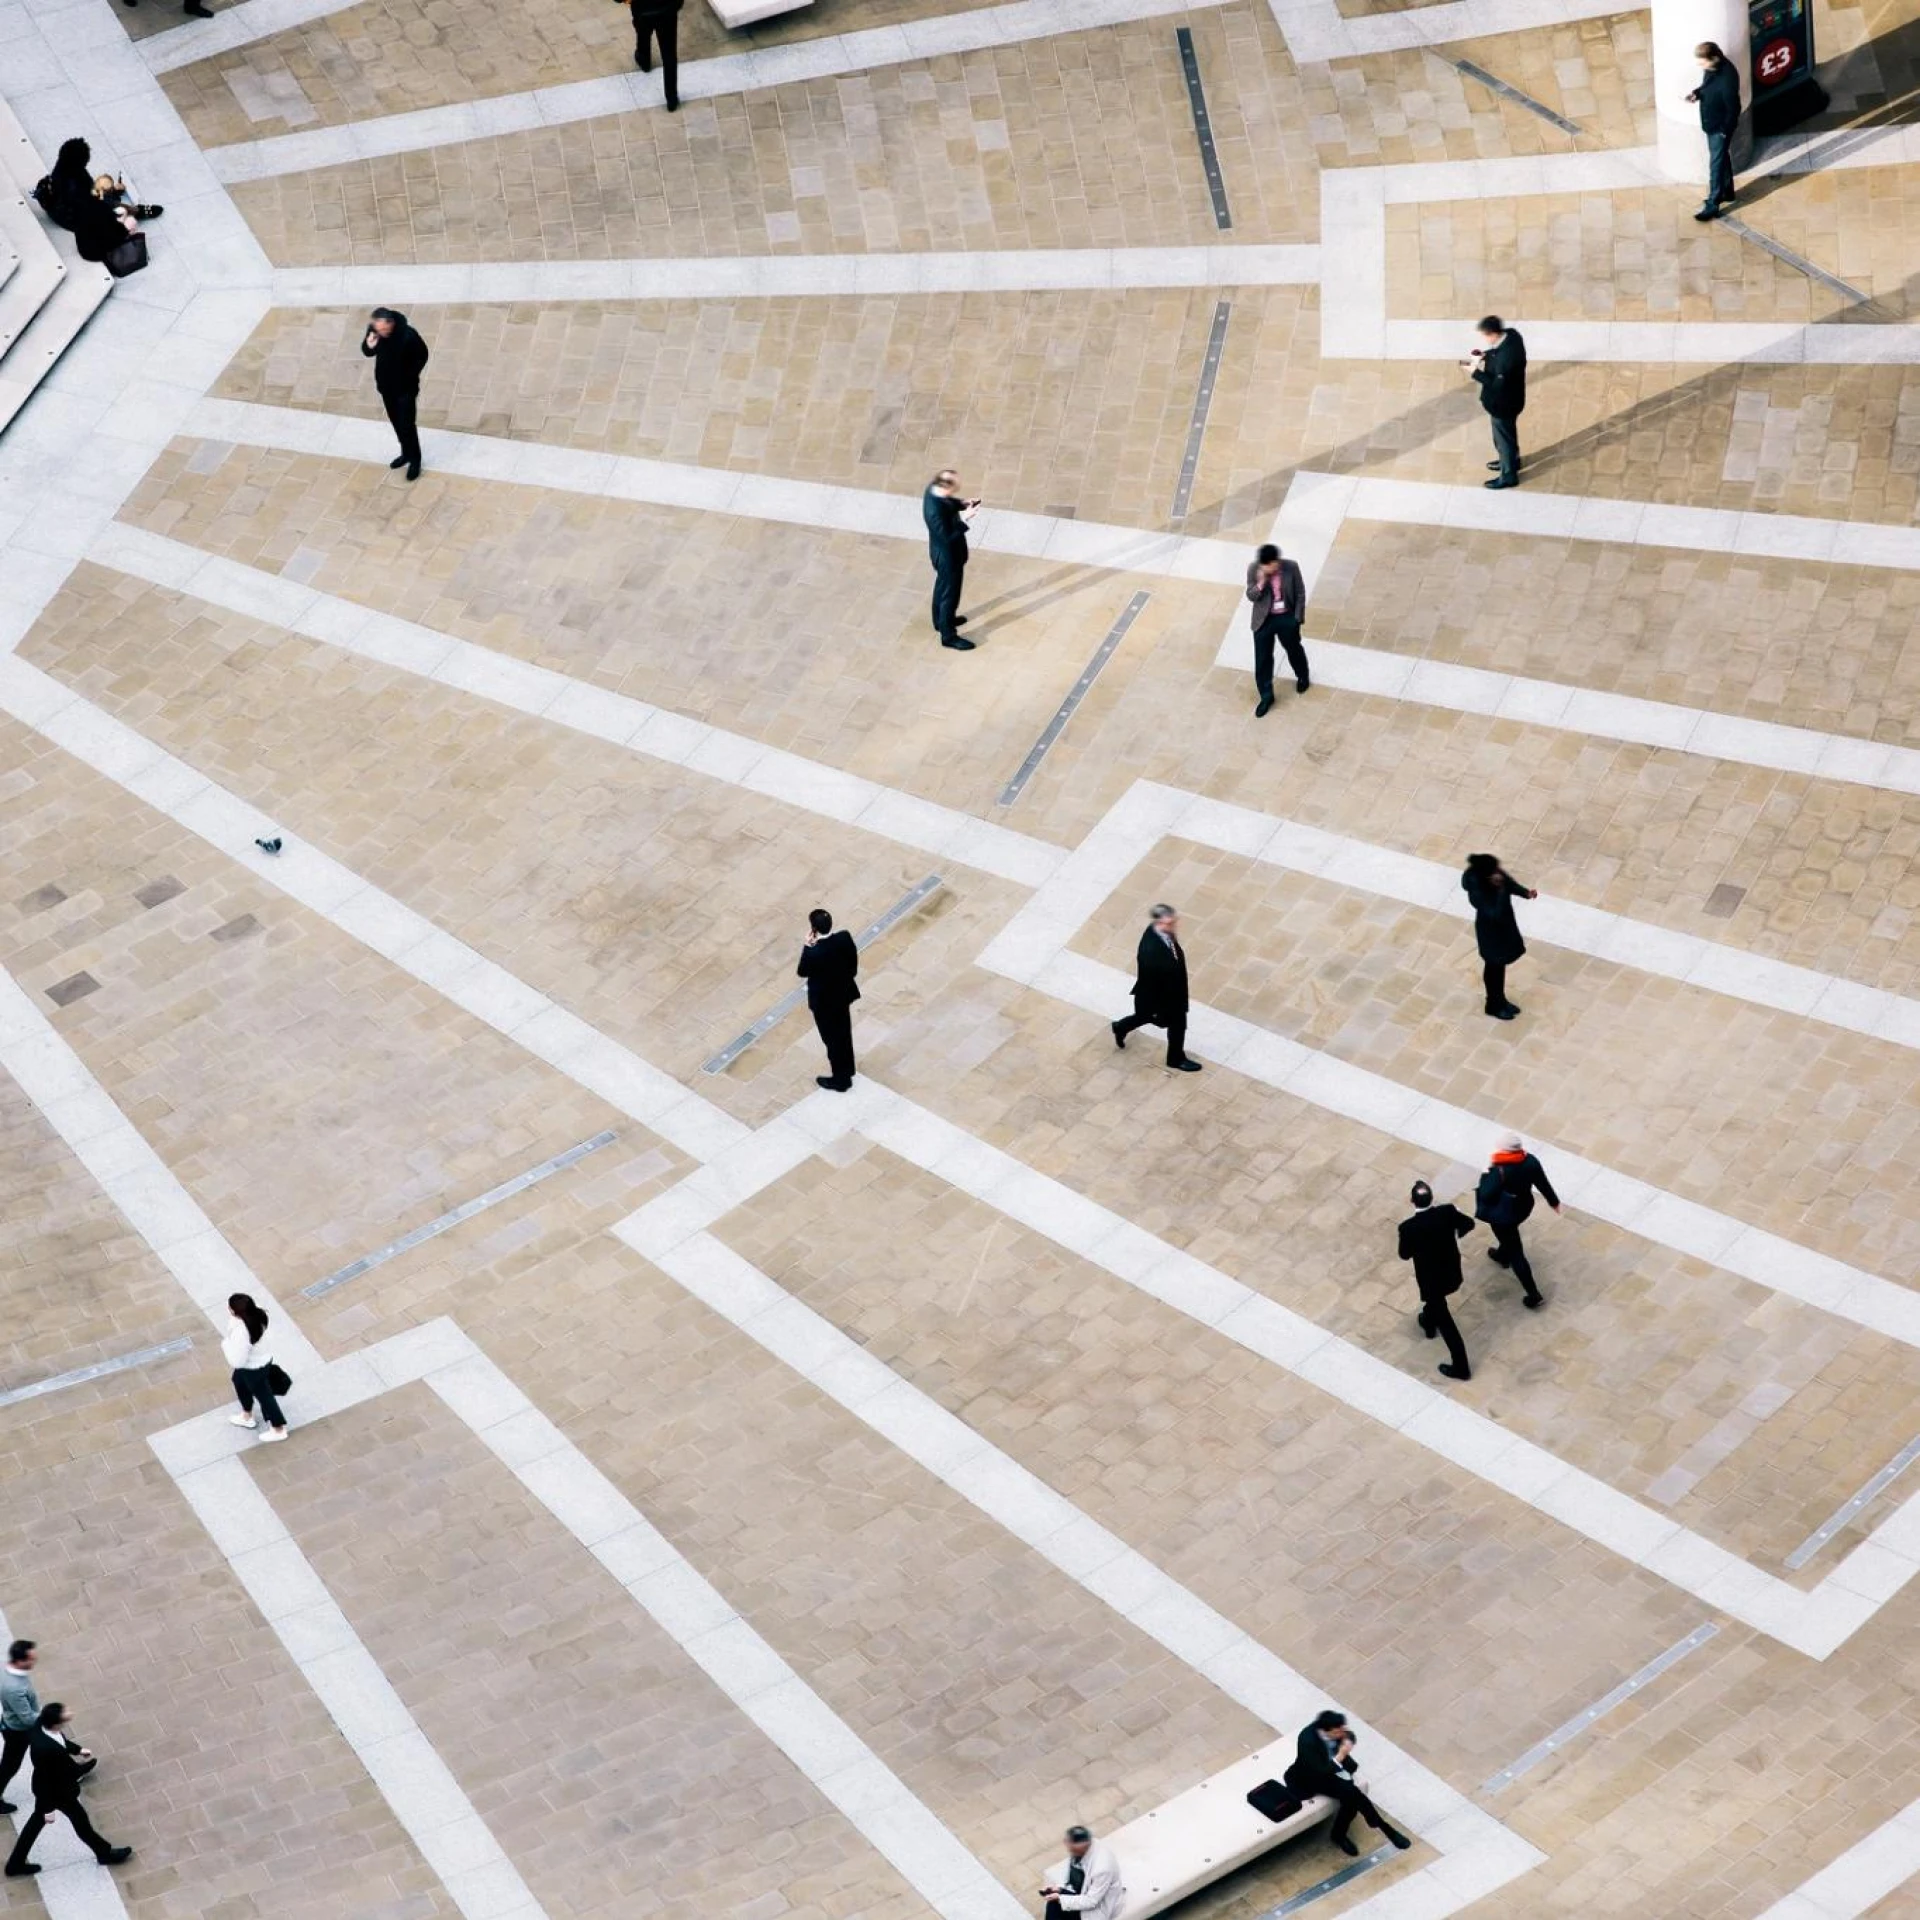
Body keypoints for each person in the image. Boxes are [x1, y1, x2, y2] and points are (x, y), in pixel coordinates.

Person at [3, 1705, 132, 1879]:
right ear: (56, 1723)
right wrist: (48, 1809)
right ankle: (104, 1853)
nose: (69, 1714)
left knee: (40, 1826)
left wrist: (77, 1750)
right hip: (56, 1792)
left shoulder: (44, 1727)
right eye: (65, 1714)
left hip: (57, 1789)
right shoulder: (46, 1749)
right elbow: (46, 1779)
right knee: (80, 1822)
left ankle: (15, 1863)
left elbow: (61, 1741)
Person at [1283, 1710, 1411, 1859]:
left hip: (1331, 1773)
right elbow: (1321, 1771)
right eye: (1338, 1732)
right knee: (1352, 1795)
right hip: (1310, 1778)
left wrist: (1348, 1740)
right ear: (1327, 1731)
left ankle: (1348, 1833)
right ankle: (1382, 1828)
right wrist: (1341, 1755)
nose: (1342, 1733)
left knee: (1351, 1801)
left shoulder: (1333, 1729)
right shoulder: (1307, 1740)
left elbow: (1350, 1735)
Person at [1, 1642, 93, 1816]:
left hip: (19, 1725)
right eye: (31, 1658)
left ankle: (74, 1771)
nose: (35, 1660)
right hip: (19, 1731)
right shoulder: (13, 1688)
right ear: (20, 1661)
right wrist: (52, 1716)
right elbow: (27, 1718)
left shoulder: (11, 1672)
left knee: (56, 1742)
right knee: (10, 1766)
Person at [1397, 1181, 1476, 1380]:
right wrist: (1455, 1234)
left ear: (1411, 1201)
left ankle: (1461, 1367)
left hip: (1431, 1281)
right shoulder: (1447, 1212)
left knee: (1447, 1324)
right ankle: (1428, 1322)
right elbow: (1468, 1223)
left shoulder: (1408, 1228)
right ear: (1431, 1198)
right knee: (1434, 1306)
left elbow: (1404, 1254)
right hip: (1451, 1274)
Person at [1473, 1133, 1560, 1309]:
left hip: (1504, 1214)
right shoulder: (1531, 1161)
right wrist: (1553, 1201)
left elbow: (1485, 1194)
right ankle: (1501, 1254)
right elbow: (1543, 1183)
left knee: (1516, 1253)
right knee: (1509, 1238)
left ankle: (1533, 1294)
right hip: (1523, 1206)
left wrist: (1485, 1174)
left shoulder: (1499, 1169)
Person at [1111, 903, 1200, 1072]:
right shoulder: (1150, 951)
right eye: (1169, 923)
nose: (1173, 926)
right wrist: (1160, 1007)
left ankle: (1120, 1027)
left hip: (1172, 993)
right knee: (1172, 1023)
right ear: (1159, 923)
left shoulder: (1163, 933)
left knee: (1147, 1018)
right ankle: (1175, 1059)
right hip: (1160, 998)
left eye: (1173, 921)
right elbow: (1151, 983)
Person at [38, 139, 156, 265]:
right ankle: (137, 211)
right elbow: (93, 206)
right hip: (71, 216)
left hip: (66, 206)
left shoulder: (65, 166)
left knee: (103, 195)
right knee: (112, 211)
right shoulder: (73, 187)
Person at [1460, 852, 1535, 1021]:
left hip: (1504, 928)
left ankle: (1500, 1000)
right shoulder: (1477, 887)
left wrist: (1525, 893)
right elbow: (1494, 913)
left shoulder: (1493, 874)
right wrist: (1500, 890)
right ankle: (1493, 1004)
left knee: (1499, 967)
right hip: (1491, 933)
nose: (1499, 872)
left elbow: (1509, 883)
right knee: (1494, 966)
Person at [360, 308, 430, 481]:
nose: (380, 332)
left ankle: (415, 460)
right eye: (377, 328)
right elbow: (368, 352)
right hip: (386, 387)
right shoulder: (375, 330)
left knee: (407, 425)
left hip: (405, 390)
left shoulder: (408, 335)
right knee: (396, 423)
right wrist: (370, 344)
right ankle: (405, 453)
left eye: (383, 329)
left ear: (390, 324)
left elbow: (423, 355)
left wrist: (409, 375)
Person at [797, 907, 859, 1092]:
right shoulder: (844, 937)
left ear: (813, 929)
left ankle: (841, 1080)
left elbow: (802, 971)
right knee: (844, 1035)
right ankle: (848, 1070)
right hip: (843, 995)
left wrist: (807, 946)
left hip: (824, 1003)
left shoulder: (815, 952)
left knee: (832, 1041)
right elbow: (852, 966)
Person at [1244, 541, 1309, 716]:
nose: (1269, 568)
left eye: (1271, 565)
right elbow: (1251, 595)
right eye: (1265, 566)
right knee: (1262, 659)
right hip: (1264, 620)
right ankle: (1266, 696)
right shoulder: (1254, 569)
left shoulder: (1291, 567)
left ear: (1276, 561)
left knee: (1293, 649)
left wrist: (1297, 618)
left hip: (1286, 616)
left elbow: (1300, 593)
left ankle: (1302, 675)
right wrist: (1262, 580)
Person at [1462, 316, 1526, 489]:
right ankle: (1511, 461)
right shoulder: (1513, 336)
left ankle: (1508, 475)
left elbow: (1496, 384)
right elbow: (1499, 352)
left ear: (1493, 334)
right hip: (1514, 399)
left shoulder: (1506, 360)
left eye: (1485, 335)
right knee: (1508, 434)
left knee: (1503, 439)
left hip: (1502, 404)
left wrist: (1474, 371)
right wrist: (1486, 355)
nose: (1485, 339)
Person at [923, 468, 977, 651]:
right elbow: (947, 537)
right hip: (947, 557)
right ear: (946, 487)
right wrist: (965, 519)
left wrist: (961, 504)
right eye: (955, 488)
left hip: (948, 554)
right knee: (949, 594)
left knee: (942, 587)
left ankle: (940, 620)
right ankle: (948, 635)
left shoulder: (934, 489)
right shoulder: (934, 511)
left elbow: (947, 502)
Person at [1686, 42, 1742, 220]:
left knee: (1715, 165)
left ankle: (1713, 204)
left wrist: (1724, 131)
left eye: (1703, 62)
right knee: (1722, 157)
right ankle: (1727, 192)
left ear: (1714, 58)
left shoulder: (1727, 80)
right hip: (1712, 124)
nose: (1700, 66)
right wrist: (1697, 93)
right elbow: (1708, 88)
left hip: (1719, 128)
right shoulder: (1712, 68)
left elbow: (1734, 109)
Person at [223, 1292, 288, 1440]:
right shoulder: (259, 1315)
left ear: (235, 1311)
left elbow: (237, 1361)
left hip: (252, 1367)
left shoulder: (242, 1332)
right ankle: (247, 1415)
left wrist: (226, 1345)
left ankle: (278, 1429)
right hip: (261, 1361)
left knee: (265, 1397)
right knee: (238, 1381)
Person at [1038, 1824, 1123, 1920]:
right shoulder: (1081, 1851)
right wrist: (1059, 1890)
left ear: (1084, 1847)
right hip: (1082, 1894)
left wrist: (1060, 1898)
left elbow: (1091, 1901)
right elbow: (1075, 1881)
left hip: (1096, 1906)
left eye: (1073, 1850)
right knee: (1053, 1902)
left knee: (1056, 1903)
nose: (1071, 1852)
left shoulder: (1102, 1868)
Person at [629, 0, 683, 110]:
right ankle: (671, 99)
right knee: (669, 54)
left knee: (643, 35)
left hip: (642, 11)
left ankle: (644, 61)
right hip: (666, 11)